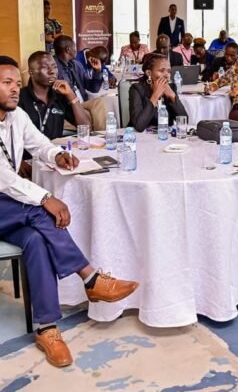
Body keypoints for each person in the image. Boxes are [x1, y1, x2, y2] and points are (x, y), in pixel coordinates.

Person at [0, 56, 138, 368]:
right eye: (7, 83)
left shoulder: (16, 117)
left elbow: (40, 145)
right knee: (40, 211)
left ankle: (47, 328)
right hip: (5, 198)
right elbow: (5, 178)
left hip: (8, 207)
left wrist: (57, 155)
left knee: (36, 239)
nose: (14, 89)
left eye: (16, 83)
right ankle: (90, 278)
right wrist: (46, 197)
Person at [18, 52, 90, 178]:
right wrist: (18, 161)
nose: (52, 71)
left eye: (54, 66)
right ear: (31, 72)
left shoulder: (59, 96)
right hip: (27, 161)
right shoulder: (19, 98)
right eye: (45, 67)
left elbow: (85, 127)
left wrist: (71, 95)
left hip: (54, 158)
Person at [53, 36, 108, 130]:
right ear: (68, 49)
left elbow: (93, 88)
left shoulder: (76, 64)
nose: (76, 50)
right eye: (74, 47)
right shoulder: (53, 67)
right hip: (68, 106)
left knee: (100, 102)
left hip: (82, 102)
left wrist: (97, 71)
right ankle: (97, 135)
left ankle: (101, 135)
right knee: (90, 116)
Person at [129, 54, 188, 132]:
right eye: (161, 71)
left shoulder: (171, 88)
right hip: (140, 137)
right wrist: (155, 96)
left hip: (165, 135)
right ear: (149, 73)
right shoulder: (137, 89)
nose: (166, 75)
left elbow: (184, 121)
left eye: (169, 71)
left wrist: (173, 97)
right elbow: (139, 126)